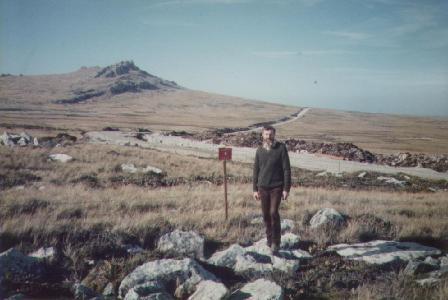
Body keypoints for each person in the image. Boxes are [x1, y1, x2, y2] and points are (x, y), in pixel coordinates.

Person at [253, 125, 291, 253]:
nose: (268, 137)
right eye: (265, 134)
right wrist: (254, 189)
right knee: (265, 215)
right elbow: (256, 171)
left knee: (273, 212)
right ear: (262, 135)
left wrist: (286, 189)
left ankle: (276, 241)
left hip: (276, 187)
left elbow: (286, 170)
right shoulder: (259, 150)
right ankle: (269, 240)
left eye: (270, 134)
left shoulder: (281, 148)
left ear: (274, 135)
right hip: (263, 187)